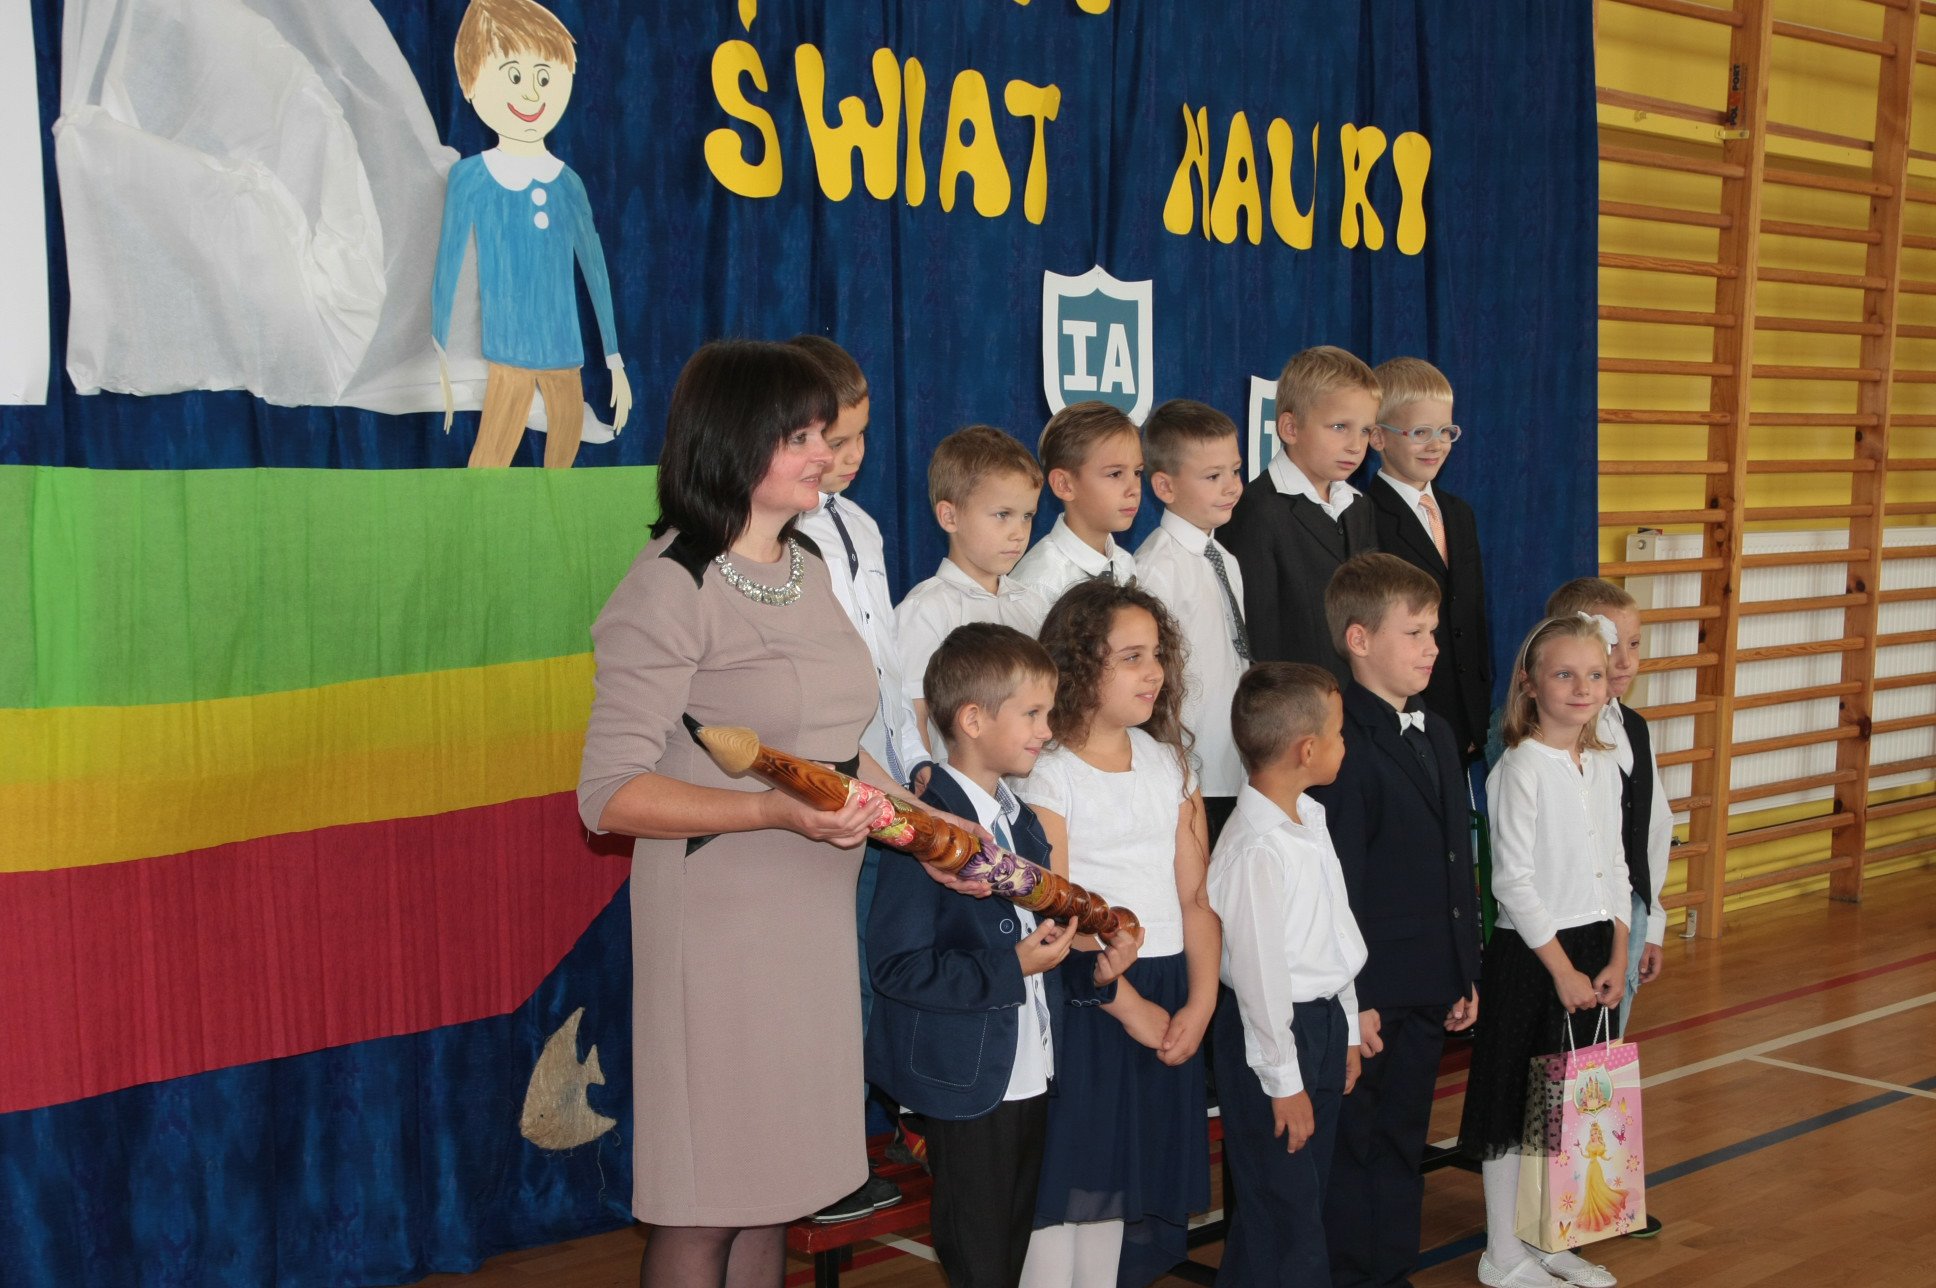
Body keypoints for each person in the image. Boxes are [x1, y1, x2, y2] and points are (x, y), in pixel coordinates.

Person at [575, 340, 980, 1288]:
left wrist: (922, 828)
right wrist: (773, 815)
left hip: (809, 916)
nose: (824, 455)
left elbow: (838, 747)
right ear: (734, 439)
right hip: (720, 925)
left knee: (775, 1188)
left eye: (823, 435)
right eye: (799, 437)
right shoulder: (669, 584)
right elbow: (608, 795)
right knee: (710, 1200)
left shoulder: (805, 564)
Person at [867, 623, 1142, 1288]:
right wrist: (1011, 966)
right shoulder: (923, 828)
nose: (1046, 730)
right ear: (972, 719)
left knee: (1007, 1255)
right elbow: (897, 969)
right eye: (1033, 714)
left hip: (1030, 1072)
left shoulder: (1020, 822)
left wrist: (1092, 968)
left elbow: (1038, 945)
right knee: (980, 1260)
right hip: (967, 1084)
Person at [1018, 580, 1219, 1288]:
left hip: (1167, 988)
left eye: (1157, 654)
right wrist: (1129, 1007)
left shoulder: (1170, 763)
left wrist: (1200, 1003)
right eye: (1131, 657)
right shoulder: (1049, 774)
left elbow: (1196, 898)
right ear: (1079, 667)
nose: (1153, 671)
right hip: (1091, 996)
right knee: (1071, 1184)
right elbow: (1057, 912)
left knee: (1120, 1188)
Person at [1312, 554, 1481, 1288]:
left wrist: (1465, 967)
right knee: (1359, 1141)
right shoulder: (1341, 742)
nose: (1431, 647)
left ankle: (1391, 1269)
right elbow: (1341, 883)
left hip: (1430, 977)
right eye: (1414, 633)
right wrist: (1356, 998)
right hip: (1375, 986)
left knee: (1405, 1135)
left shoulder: (1437, 731)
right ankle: (1355, 1272)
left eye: (1434, 632)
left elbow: (1455, 859)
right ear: (1358, 640)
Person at [1460, 615, 1630, 1288]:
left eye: (1594, 675)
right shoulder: (1520, 768)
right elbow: (1512, 882)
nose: (1582, 688)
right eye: (1564, 674)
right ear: (1529, 685)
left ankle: (1551, 1236)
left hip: (1594, 945)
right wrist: (1561, 969)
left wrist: (1618, 954)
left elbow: (1617, 865)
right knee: (1512, 1103)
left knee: (1567, 1104)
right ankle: (1502, 1252)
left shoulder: (1605, 764)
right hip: (1533, 954)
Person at [1207, 662, 1367, 1287]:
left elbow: (1335, 935)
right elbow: (1260, 981)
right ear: (1306, 749)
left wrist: (1347, 1025)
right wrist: (1284, 1081)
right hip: (1273, 1040)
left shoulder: (1309, 818)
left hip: (1319, 1026)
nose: (1344, 744)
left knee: (1290, 1208)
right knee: (1289, 1221)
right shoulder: (1256, 847)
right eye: (1339, 733)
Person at [432, 0, 630, 468]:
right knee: (489, 464)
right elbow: (448, 265)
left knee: (562, 468)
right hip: (507, 354)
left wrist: (615, 360)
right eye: (514, 76)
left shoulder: (568, 183)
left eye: (544, 78)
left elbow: (595, 272)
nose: (530, 95)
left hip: (565, 354)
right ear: (473, 82)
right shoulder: (471, 177)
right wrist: (439, 355)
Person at [1542, 579, 1671, 1045]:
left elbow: (1655, 827)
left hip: (1625, 916)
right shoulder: (1545, 737)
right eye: (1611, 644)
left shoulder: (1634, 727)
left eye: (1634, 644)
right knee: (1555, 1049)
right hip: (1563, 924)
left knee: (1603, 1053)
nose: (1625, 661)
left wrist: (1652, 921)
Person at [1221, 347, 1380, 682]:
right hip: (1297, 701)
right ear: (1290, 428)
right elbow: (1260, 639)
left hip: (1357, 697)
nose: (1356, 445)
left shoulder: (1359, 507)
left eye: (1366, 430)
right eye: (1339, 426)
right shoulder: (1257, 511)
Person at [1133, 399, 1250, 846]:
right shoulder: (1156, 568)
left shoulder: (1226, 559)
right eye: (1213, 476)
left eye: (1235, 471)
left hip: (1236, 761)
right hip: (1192, 767)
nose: (1231, 486)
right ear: (1165, 486)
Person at [896, 425, 1054, 757]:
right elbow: (911, 715)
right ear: (949, 516)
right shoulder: (926, 611)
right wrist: (926, 779)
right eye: (1003, 515)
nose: (1019, 533)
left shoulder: (1034, 604)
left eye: (1027, 516)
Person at [1366, 358, 1492, 763]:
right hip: (1403, 717)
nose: (1436, 445)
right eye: (1420, 432)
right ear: (1378, 437)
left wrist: (1477, 708)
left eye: (1445, 432)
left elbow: (1472, 615)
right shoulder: (1364, 515)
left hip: (1464, 717)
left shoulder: (1459, 514)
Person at [1008, 401, 1141, 605]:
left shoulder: (1124, 563)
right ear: (1064, 485)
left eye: (1137, 472)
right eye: (1115, 474)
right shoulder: (1039, 584)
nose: (1135, 489)